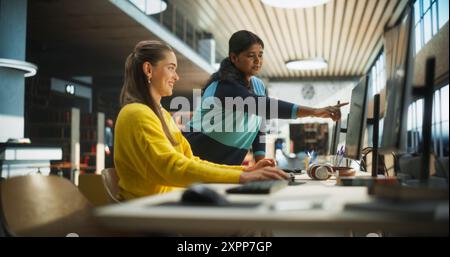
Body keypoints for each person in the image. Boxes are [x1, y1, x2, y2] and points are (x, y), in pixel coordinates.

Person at [114, 40, 288, 200]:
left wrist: (246, 170)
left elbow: (190, 161)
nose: (176, 76)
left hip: (167, 205)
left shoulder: (162, 115)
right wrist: (242, 177)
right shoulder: (136, 114)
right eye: (171, 68)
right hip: (147, 213)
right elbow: (172, 168)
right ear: (149, 70)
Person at [184, 30, 347, 165]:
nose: (257, 61)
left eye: (260, 55)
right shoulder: (223, 86)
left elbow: (258, 126)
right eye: (250, 56)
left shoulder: (258, 85)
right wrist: (315, 111)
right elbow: (263, 106)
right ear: (234, 58)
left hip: (226, 162)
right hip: (195, 154)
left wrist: (260, 161)